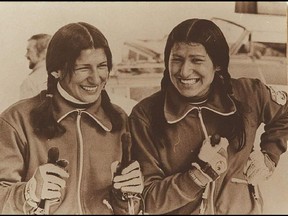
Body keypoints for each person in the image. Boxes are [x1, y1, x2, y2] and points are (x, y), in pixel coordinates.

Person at [129, 18, 288, 214]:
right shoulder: (145, 115)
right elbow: (146, 200)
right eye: (177, 59)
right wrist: (197, 177)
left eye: (197, 60)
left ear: (218, 64)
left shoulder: (249, 94)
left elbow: (285, 113)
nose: (185, 71)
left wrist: (270, 155)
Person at [0, 22, 144, 214]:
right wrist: (29, 193)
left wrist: (127, 196)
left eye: (102, 66)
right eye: (83, 68)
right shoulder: (17, 120)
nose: (95, 78)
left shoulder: (120, 120)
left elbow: (130, 209)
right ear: (56, 70)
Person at [20, 33, 51, 99]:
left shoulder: (31, 82)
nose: (26, 55)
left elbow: (26, 109)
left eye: (29, 50)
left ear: (44, 52)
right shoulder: (62, 75)